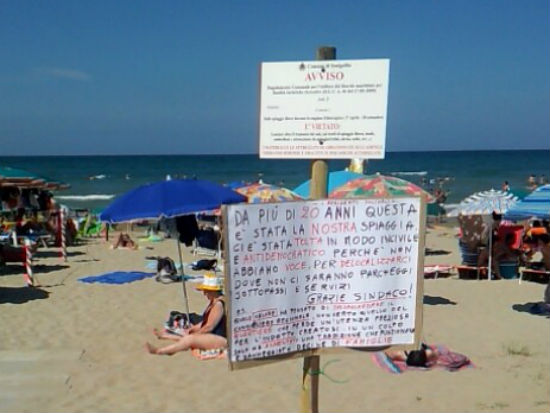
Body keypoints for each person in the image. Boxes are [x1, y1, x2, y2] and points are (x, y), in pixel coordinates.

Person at [146, 274, 227, 355]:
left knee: (190, 339)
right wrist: (195, 328)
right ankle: (166, 336)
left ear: (212, 291)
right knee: (188, 333)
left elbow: (209, 327)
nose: (204, 293)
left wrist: (197, 333)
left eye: (206, 291)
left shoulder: (218, 305)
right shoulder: (215, 302)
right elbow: (206, 321)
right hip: (214, 335)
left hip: (220, 338)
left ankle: (160, 351)